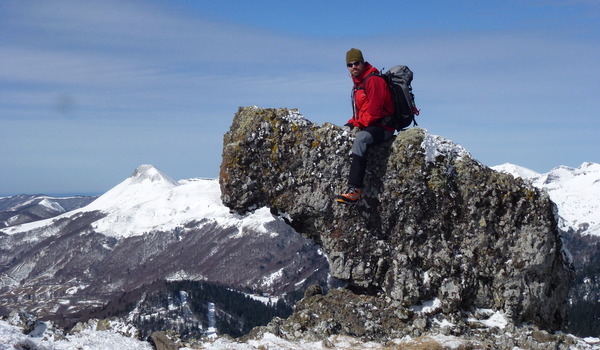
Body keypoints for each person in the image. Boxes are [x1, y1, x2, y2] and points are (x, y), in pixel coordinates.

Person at [336, 48, 395, 204]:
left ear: (363, 63)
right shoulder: (359, 84)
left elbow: (374, 113)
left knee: (361, 139)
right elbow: (362, 112)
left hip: (384, 127)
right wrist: (351, 123)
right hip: (372, 125)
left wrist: (358, 124)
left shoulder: (373, 81)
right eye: (350, 64)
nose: (354, 67)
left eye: (357, 63)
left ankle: (354, 189)